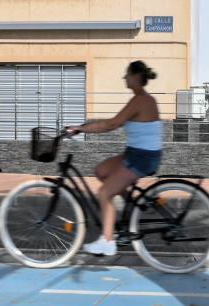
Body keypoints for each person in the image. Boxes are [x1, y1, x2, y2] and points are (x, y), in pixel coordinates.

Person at [66, 60, 163, 256]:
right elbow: (112, 123)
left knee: (104, 193)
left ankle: (107, 242)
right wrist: (83, 127)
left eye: (127, 74)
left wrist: (81, 128)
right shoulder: (143, 98)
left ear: (136, 76)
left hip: (142, 157)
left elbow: (112, 124)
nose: (124, 77)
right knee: (102, 171)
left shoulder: (141, 100)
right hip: (137, 153)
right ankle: (133, 203)